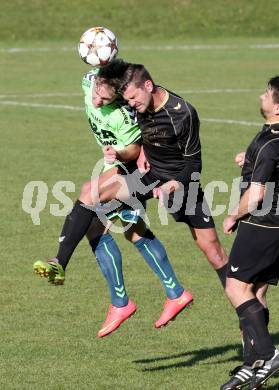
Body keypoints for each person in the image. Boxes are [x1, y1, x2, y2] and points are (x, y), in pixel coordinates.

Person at [33, 60, 192, 337]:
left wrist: (119, 154)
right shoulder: (90, 79)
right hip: (114, 167)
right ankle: (169, 293)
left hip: (130, 169)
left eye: (104, 98)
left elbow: (133, 149)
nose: (96, 101)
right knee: (126, 230)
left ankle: (60, 263)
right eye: (95, 92)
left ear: (117, 96)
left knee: (88, 194)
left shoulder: (123, 113)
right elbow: (111, 70)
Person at [94, 61, 229, 286]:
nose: (131, 104)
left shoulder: (183, 113)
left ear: (148, 86)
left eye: (133, 98)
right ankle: (63, 259)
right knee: (93, 197)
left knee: (214, 252)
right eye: (127, 100)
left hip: (182, 181)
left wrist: (174, 185)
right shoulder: (136, 101)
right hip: (148, 174)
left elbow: (194, 165)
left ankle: (246, 305)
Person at [220, 75, 279, 390]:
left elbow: (255, 195)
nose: (261, 97)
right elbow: (277, 159)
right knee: (255, 293)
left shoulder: (270, 144)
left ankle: (268, 355)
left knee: (235, 288)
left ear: (278, 107)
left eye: (267, 95)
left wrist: (232, 216)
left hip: (261, 223)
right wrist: (251, 160)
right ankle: (252, 365)